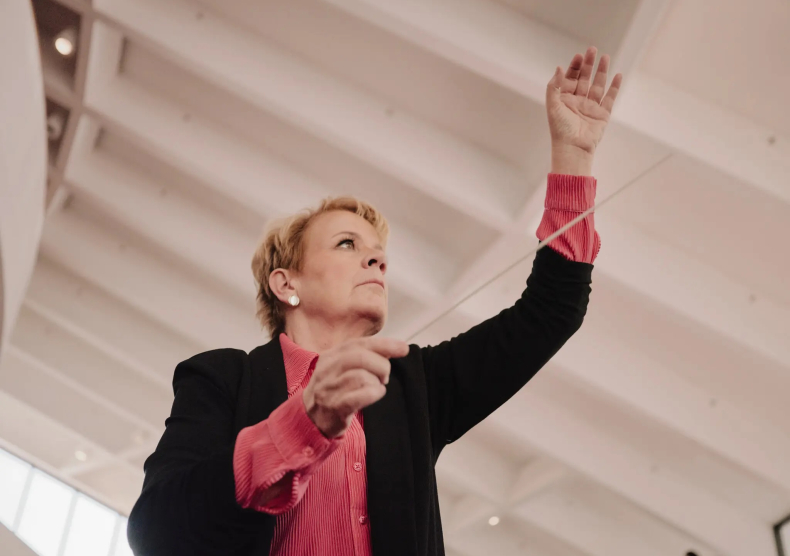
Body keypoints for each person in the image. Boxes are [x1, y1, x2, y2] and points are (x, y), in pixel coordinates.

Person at [127, 46, 622, 556]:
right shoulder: (220, 380)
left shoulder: (417, 386)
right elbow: (157, 531)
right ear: (285, 283)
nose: (377, 261)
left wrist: (574, 156)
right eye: (348, 244)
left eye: (380, 252)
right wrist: (303, 422)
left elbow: (551, 311)